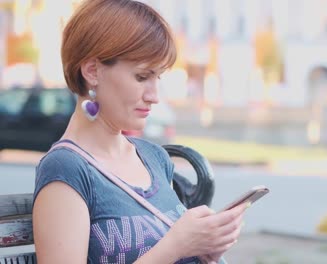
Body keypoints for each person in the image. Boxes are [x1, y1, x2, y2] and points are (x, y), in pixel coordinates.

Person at [32, 0, 247, 263]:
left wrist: (203, 251)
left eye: (159, 78)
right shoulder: (67, 169)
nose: (155, 96)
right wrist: (176, 246)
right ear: (92, 71)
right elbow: (168, 249)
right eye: (142, 77)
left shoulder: (154, 157)